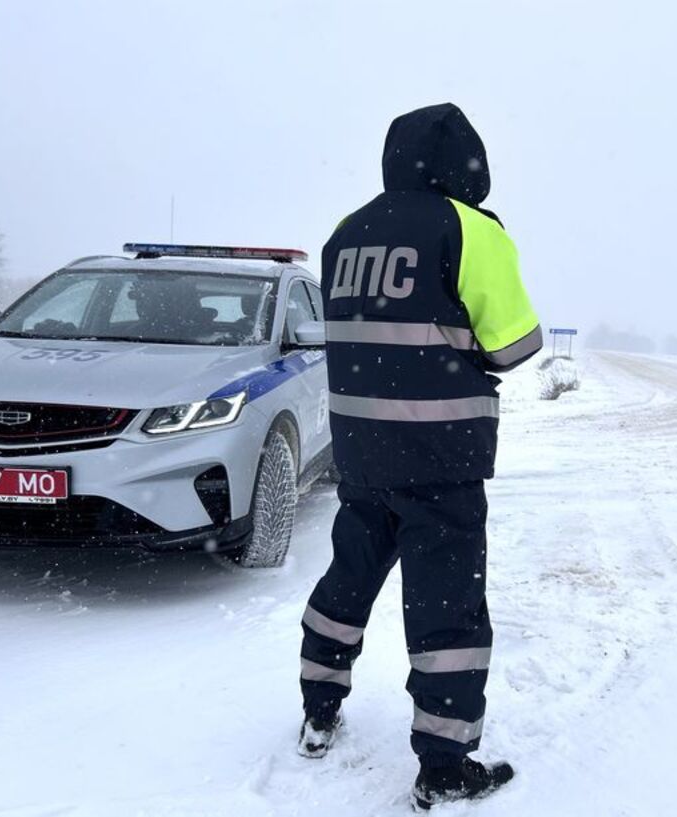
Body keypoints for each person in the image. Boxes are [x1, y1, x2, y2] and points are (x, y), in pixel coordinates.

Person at [297, 102, 542, 810]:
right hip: (440, 454)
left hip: (361, 455)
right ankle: (443, 764)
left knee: (349, 577)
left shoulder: (346, 234)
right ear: (469, 165)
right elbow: (514, 346)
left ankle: (319, 706)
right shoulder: (469, 228)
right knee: (447, 610)